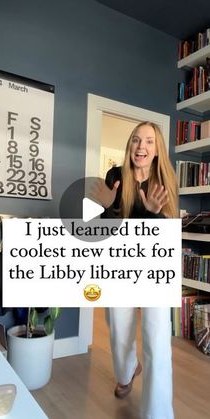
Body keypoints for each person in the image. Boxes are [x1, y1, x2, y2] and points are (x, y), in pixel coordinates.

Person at [92, 121, 178, 419]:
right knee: (118, 330)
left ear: (157, 150)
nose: (141, 146)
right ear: (130, 146)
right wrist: (109, 208)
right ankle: (128, 372)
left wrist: (154, 214)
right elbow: (108, 230)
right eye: (136, 141)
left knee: (156, 338)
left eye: (149, 142)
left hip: (155, 269)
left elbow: (165, 237)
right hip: (122, 265)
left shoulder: (165, 180)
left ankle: (158, 413)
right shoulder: (116, 176)